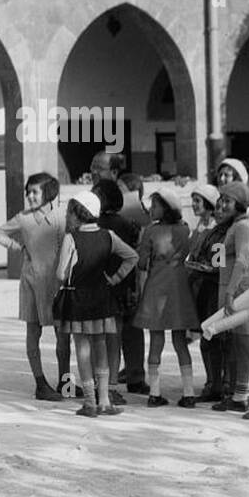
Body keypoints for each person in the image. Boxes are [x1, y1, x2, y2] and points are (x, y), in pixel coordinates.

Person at [53, 192, 138, 418]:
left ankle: (89, 402)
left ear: (79, 213)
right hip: (102, 297)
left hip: (78, 300)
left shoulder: (71, 238)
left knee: (82, 348)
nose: (67, 216)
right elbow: (132, 256)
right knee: (101, 345)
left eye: (69, 212)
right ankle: (105, 400)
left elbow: (61, 274)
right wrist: (116, 277)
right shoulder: (108, 236)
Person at [0, 172, 72, 401]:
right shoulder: (22, 218)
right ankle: (40, 383)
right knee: (33, 331)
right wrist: (18, 247)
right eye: (28, 191)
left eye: (35, 191)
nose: (29, 195)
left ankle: (65, 382)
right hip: (31, 282)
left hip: (57, 282)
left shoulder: (62, 216)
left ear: (48, 193)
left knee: (63, 334)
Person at [132, 185, 202, 407]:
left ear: (165, 208)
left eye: (155, 206)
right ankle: (189, 393)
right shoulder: (184, 229)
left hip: (156, 288)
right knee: (180, 341)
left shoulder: (150, 232)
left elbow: (142, 263)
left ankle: (154, 392)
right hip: (180, 288)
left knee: (156, 340)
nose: (151, 209)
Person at [212, 181, 249, 420]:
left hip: (242, 293)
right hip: (236, 291)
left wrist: (230, 293)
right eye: (221, 200)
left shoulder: (242, 227)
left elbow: (242, 261)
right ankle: (239, 396)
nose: (222, 205)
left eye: (227, 201)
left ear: (239, 203)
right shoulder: (235, 226)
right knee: (240, 344)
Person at [89, 151, 147, 392]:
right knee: (105, 333)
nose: (93, 171)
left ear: (113, 172)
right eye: (92, 166)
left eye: (99, 168)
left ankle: (135, 376)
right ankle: (105, 380)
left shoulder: (128, 202)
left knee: (131, 328)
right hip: (100, 280)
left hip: (125, 279)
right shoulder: (90, 200)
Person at [92, 179, 138, 407]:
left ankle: (98, 385)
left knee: (97, 339)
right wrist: (124, 282)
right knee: (113, 340)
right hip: (116, 288)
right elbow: (131, 259)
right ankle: (110, 387)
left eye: (96, 194)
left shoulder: (94, 224)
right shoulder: (125, 224)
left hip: (96, 288)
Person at [185, 183, 232, 402]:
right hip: (203, 287)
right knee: (207, 338)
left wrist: (202, 267)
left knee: (217, 338)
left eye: (198, 200)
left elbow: (217, 264)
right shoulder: (204, 228)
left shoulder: (220, 230)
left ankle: (222, 383)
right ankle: (213, 382)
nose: (194, 205)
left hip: (216, 289)